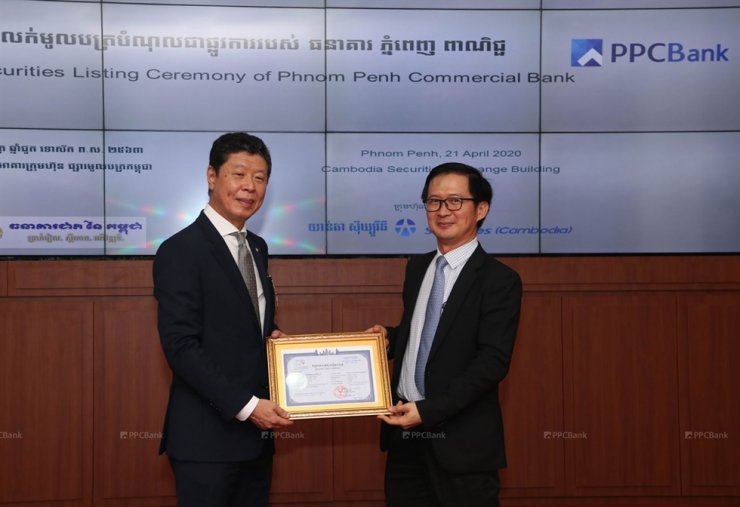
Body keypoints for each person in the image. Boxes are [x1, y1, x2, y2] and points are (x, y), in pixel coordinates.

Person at [369, 162, 522, 507]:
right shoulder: (417, 266)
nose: (443, 211)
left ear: (481, 209)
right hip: (404, 436)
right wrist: (390, 339)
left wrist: (428, 410)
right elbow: (425, 336)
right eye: (433, 202)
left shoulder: (500, 281)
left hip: (462, 446)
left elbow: (492, 362)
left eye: (455, 201)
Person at [153, 132, 292, 507]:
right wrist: (248, 406)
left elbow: (244, 329)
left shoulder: (257, 247)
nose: (250, 187)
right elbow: (181, 347)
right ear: (212, 176)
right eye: (239, 174)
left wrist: (275, 342)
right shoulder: (180, 251)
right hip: (207, 443)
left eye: (260, 178)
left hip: (255, 443)